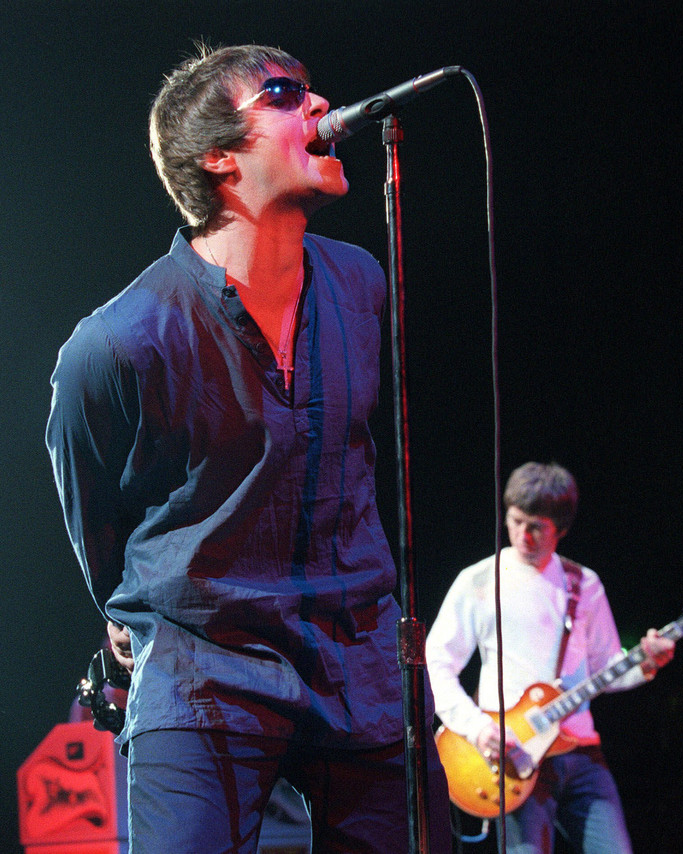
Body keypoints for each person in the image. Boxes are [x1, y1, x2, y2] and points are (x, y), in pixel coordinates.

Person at [46, 43, 451, 854]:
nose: (317, 103)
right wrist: (133, 615)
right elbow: (94, 515)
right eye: (281, 94)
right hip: (208, 666)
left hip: (358, 656)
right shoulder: (117, 342)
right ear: (217, 157)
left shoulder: (361, 282)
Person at [425, 462, 675, 854]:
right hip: (510, 755)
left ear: (561, 528)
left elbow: (606, 667)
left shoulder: (583, 584)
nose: (523, 535)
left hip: (580, 752)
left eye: (537, 525)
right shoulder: (479, 579)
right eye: (516, 520)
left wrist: (646, 662)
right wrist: (476, 729)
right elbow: (436, 664)